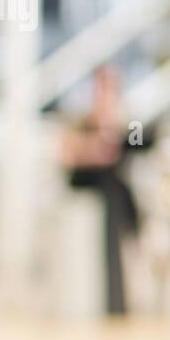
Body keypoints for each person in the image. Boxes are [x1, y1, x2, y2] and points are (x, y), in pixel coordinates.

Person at [60, 64, 153, 315]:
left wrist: (114, 130)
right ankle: (116, 299)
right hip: (86, 182)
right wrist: (94, 148)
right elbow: (66, 155)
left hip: (111, 186)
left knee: (116, 185)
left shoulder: (125, 121)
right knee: (114, 186)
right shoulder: (80, 119)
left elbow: (134, 148)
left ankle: (118, 297)